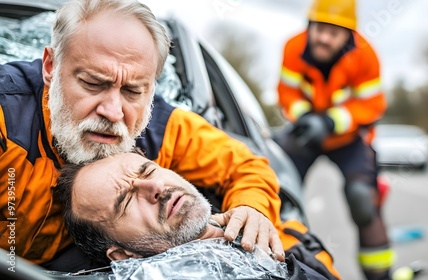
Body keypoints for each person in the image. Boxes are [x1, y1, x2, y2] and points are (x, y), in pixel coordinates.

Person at [0, 0, 284, 272]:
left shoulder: (161, 127)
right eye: (93, 83)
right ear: (50, 66)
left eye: (132, 91)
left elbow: (245, 166)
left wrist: (251, 208)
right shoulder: (6, 117)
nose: (113, 112)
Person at [53, 152, 334, 280]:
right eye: (126, 201)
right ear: (123, 256)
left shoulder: (278, 233)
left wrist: (253, 207)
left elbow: (246, 164)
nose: (155, 188)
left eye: (148, 171)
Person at [275, 0, 394, 279]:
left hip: (348, 138)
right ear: (310, 25)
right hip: (305, 134)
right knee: (277, 191)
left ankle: (380, 274)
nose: (324, 38)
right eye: (320, 29)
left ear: (349, 35)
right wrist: (305, 118)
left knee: (362, 199)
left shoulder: (366, 56)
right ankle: (277, 264)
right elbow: (286, 94)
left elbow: (372, 106)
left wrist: (330, 122)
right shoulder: (293, 48)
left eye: (334, 32)